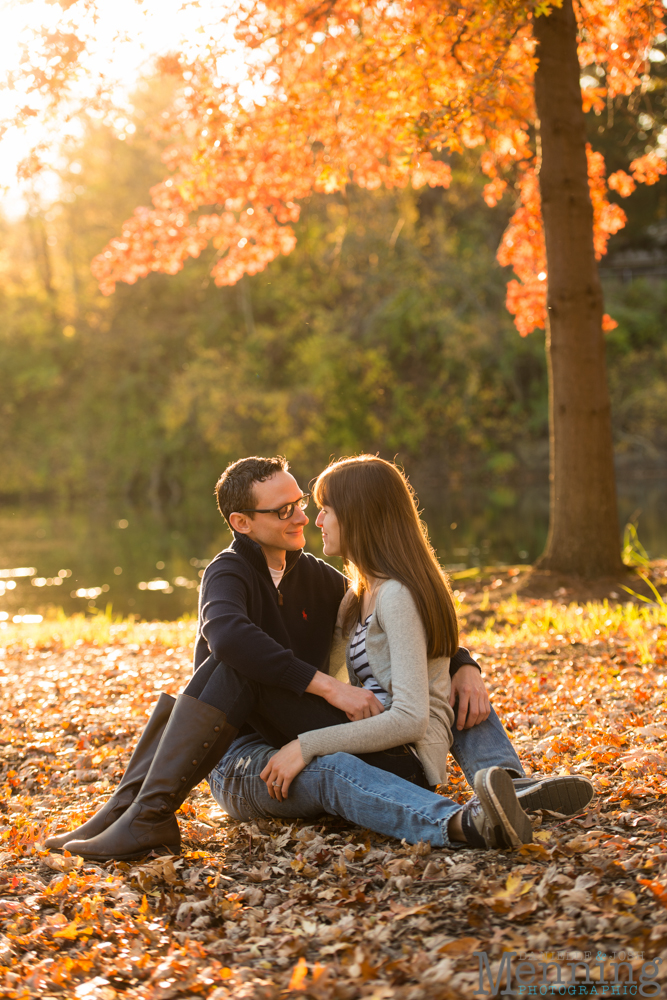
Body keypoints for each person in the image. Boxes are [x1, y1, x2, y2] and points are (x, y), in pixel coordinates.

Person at [46, 455, 592, 861]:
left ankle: (506, 785)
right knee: (231, 659)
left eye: (304, 504)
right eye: (284, 509)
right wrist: (330, 688)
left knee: (425, 692)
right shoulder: (228, 573)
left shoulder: (329, 580)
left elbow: (412, 632)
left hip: (309, 734)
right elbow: (229, 635)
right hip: (242, 748)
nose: (302, 517)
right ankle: (135, 810)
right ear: (243, 522)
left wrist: (463, 663)